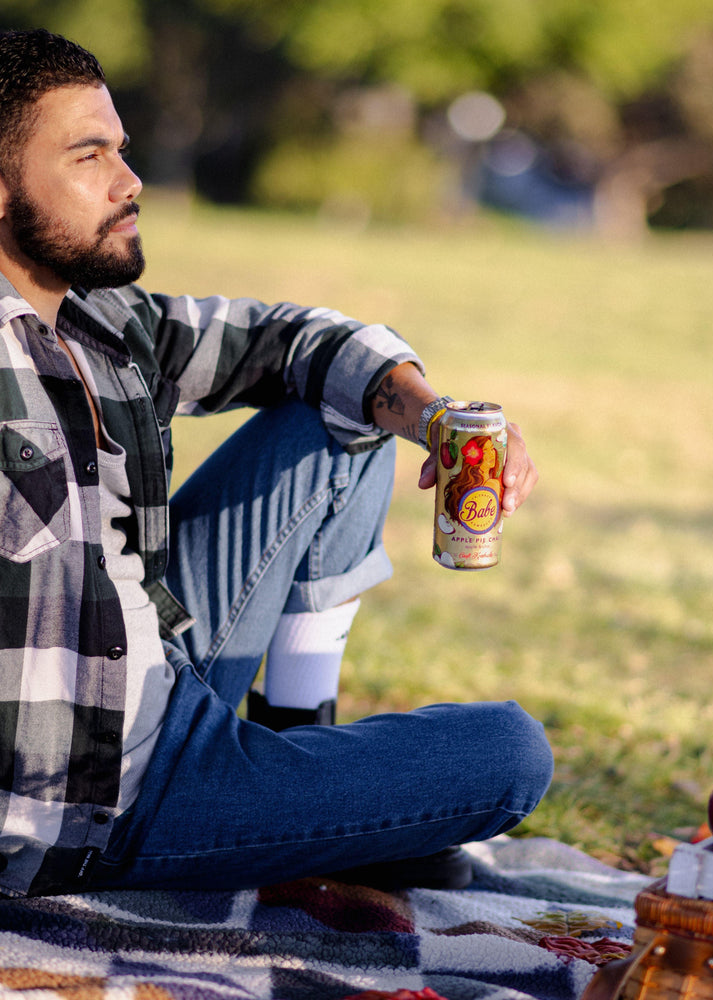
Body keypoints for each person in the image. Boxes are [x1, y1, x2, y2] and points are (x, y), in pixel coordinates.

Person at [0, 28, 553, 899]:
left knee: (339, 412)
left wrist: (434, 418)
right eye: (88, 155)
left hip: (160, 680)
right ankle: (291, 818)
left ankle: (295, 749)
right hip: (95, 806)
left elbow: (301, 341)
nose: (128, 180)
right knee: (508, 754)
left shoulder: (100, 319)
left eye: (124, 150)